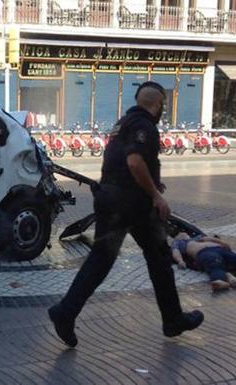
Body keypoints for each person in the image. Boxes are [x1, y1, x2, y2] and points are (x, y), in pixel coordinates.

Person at [47, 81, 204, 348]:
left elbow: (122, 162)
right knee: (159, 258)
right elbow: (134, 161)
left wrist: (152, 183)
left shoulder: (123, 123)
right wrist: (155, 194)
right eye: (162, 105)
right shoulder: (145, 126)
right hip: (133, 205)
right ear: (158, 104)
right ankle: (173, 319)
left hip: (110, 198)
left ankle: (65, 312)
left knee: (101, 260)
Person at [171, 232, 236, 292]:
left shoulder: (196, 238)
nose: (182, 233)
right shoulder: (178, 243)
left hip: (220, 249)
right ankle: (219, 281)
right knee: (214, 265)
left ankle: (229, 277)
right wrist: (180, 261)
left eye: (184, 233)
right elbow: (175, 252)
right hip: (205, 252)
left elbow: (210, 239)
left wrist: (222, 243)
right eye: (180, 234)